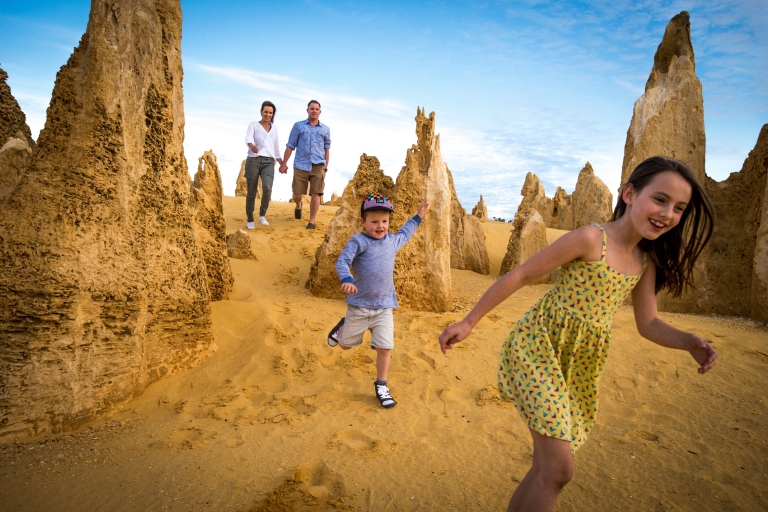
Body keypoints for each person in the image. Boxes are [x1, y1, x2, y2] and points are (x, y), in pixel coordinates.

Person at [438, 156, 717, 512]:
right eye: (660, 199)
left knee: (547, 469)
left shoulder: (646, 262)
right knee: (559, 468)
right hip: (538, 347)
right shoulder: (591, 238)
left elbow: (648, 323)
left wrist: (688, 341)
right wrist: (468, 321)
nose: (668, 213)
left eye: (679, 207)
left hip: (578, 364)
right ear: (629, 193)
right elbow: (521, 275)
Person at [327, 194, 429, 408]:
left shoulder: (392, 241)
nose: (380, 226)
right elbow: (343, 261)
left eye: (384, 221)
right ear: (363, 222)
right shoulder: (358, 241)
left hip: (384, 307)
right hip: (359, 306)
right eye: (374, 222)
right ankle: (343, 327)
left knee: (385, 348)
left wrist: (418, 217)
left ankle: (381, 385)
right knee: (345, 346)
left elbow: (406, 232)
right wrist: (346, 279)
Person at [279, 100, 331, 229]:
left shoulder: (325, 129)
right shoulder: (298, 126)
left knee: (316, 193)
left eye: (316, 109)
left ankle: (311, 221)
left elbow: (327, 149)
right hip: (300, 164)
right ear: (307, 110)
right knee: (297, 194)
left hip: (318, 165)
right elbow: (290, 145)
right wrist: (284, 163)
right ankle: (298, 205)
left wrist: (325, 168)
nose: (314, 111)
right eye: (312, 108)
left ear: (320, 112)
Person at [244, 101, 284, 228]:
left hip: (268, 162)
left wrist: (281, 163)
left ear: (273, 115)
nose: (268, 114)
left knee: (267, 188)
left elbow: (276, 147)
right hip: (254, 160)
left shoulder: (275, 128)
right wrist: (251, 145)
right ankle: (250, 219)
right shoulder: (254, 125)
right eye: (266, 112)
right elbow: (248, 138)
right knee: (251, 191)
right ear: (261, 111)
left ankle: (262, 215)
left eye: (270, 113)